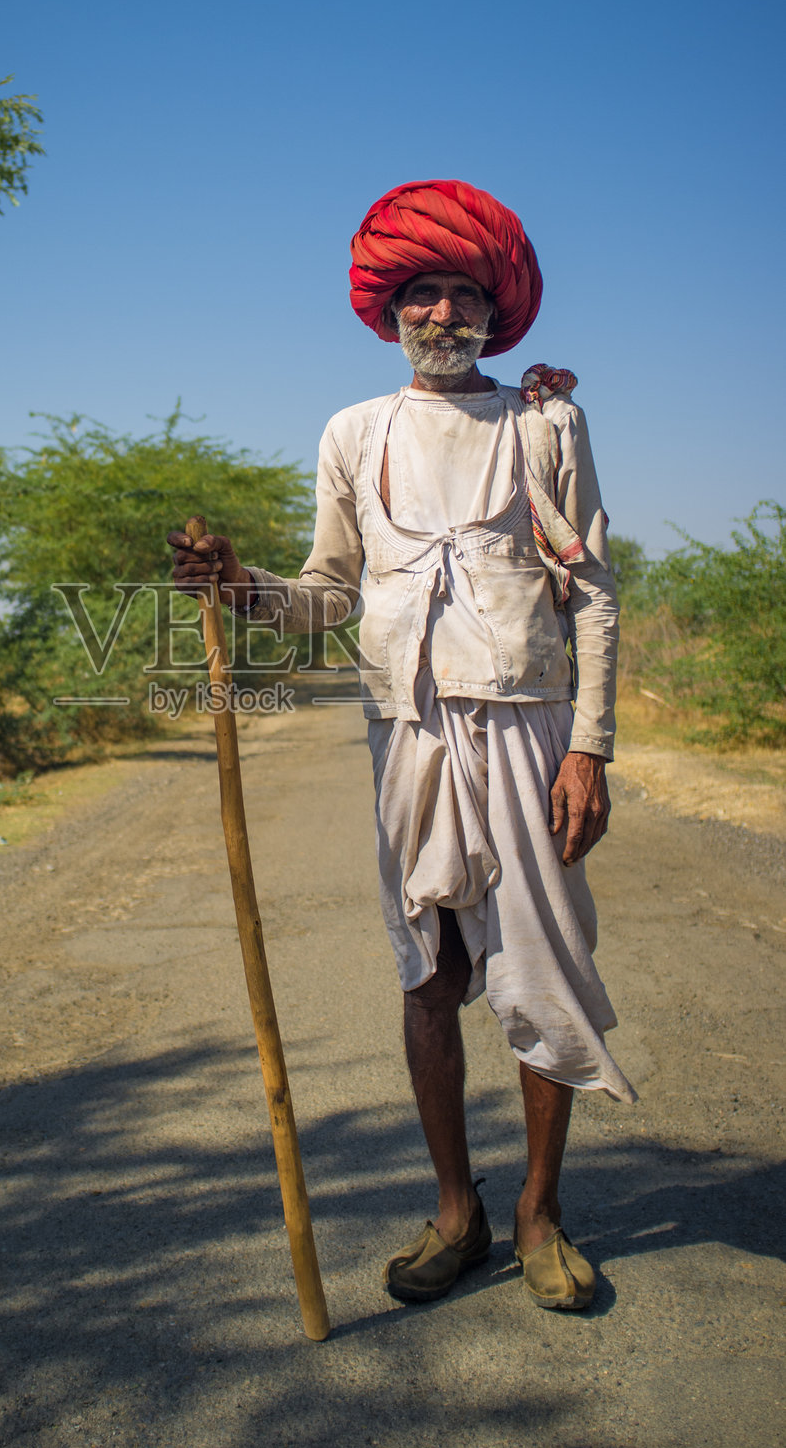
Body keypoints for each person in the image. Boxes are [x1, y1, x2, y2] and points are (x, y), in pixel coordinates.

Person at [168, 179, 635, 1313]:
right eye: (419, 292)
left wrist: (591, 747)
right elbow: (328, 597)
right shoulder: (353, 434)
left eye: (460, 291)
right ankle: (455, 1211)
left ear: (493, 307)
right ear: (390, 312)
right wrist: (243, 586)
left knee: (543, 971)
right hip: (409, 735)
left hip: (530, 730)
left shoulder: (545, 424)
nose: (439, 311)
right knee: (433, 975)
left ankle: (538, 1212)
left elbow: (593, 596)